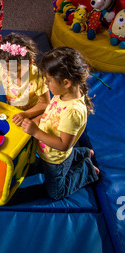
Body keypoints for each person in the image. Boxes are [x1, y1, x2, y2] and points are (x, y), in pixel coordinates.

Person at [22, 47, 100, 200]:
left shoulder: (73, 112)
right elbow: (50, 114)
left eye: (49, 80)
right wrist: (36, 121)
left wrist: (36, 132)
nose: (45, 82)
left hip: (56, 159)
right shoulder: (62, 94)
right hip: (45, 151)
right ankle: (83, 153)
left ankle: (87, 169)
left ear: (66, 82)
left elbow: (64, 145)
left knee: (55, 193)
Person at [0, 33, 50, 124]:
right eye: (6, 69)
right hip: (11, 107)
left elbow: (45, 103)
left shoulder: (38, 77)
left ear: (29, 64)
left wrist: (26, 114)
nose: (10, 74)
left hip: (31, 112)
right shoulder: (2, 67)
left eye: (16, 70)